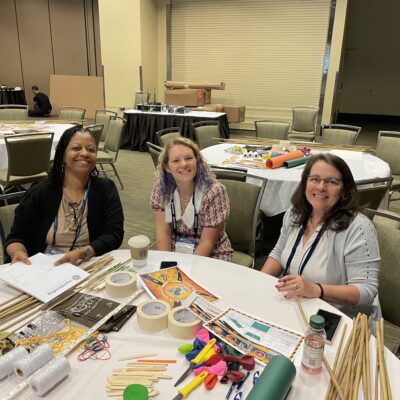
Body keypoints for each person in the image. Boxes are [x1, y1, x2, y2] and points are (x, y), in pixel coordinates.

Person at [261, 153, 380, 319]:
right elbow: (278, 253)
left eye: (332, 182)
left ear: (345, 188)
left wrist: (316, 289)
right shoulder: (295, 213)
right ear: (305, 183)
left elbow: (366, 291)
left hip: (336, 317)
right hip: (295, 305)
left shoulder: (358, 228)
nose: (321, 187)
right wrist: (258, 281)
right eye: (315, 179)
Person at [4, 125, 124, 266]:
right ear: (62, 155)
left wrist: (83, 252)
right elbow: (16, 237)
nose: (85, 153)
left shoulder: (105, 189)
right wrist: (17, 252)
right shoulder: (41, 192)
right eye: (76, 148)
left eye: (91, 149)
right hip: (47, 267)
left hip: (88, 262)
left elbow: (114, 234)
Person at [150, 137, 233, 261]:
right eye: (176, 160)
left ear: (197, 161)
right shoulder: (161, 189)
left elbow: (207, 243)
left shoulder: (214, 192)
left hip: (212, 254)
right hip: (174, 250)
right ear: (167, 167)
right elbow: (163, 233)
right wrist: (166, 263)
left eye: (189, 158)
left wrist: (185, 271)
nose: (184, 164)